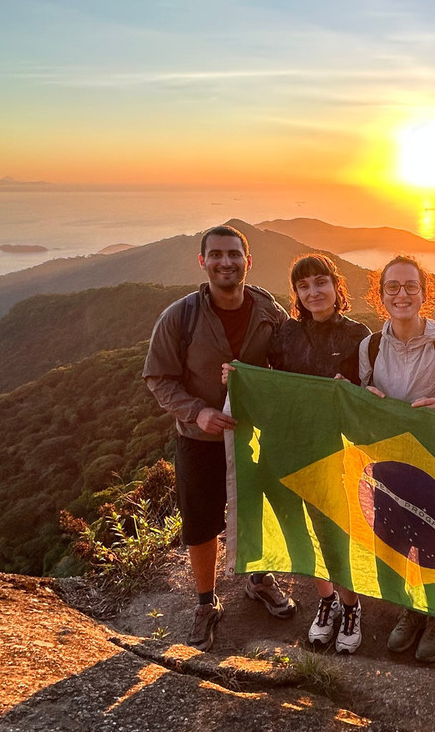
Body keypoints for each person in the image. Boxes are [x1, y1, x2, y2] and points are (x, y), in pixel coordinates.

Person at [143, 224, 295, 652]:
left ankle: (257, 577)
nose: (225, 262)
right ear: (203, 261)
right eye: (216, 255)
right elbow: (159, 376)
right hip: (200, 439)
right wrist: (198, 412)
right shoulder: (180, 316)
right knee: (201, 521)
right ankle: (206, 602)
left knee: (254, 511)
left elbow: (284, 370)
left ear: (248, 261)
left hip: (254, 438)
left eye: (234, 255)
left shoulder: (269, 311)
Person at [222, 253, 370, 653]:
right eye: (303, 287)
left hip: (326, 454)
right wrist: (239, 379)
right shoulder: (284, 334)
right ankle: (326, 601)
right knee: (296, 533)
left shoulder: (358, 336)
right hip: (280, 449)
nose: (313, 292)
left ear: (337, 287)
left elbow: (366, 401)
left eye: (320, 282)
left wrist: (352, 391)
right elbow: (269, 385)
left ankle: (352, 607)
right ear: (296, 295)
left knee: (332, 533)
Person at [358, 254, 435, 663]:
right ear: (380, 294)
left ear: (424, 293)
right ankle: (412, 609)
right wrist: (362, 401)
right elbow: (364, 407)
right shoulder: (369, 345)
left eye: (411, 286)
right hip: (390, 463)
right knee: (401, 536)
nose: (402, 294)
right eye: (393, 287)